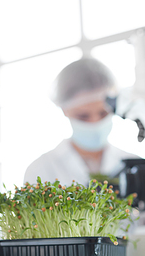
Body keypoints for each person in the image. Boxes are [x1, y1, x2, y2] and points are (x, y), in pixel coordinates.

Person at [24, 58, 137, 186]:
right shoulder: (41, 170)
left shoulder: (136, 166)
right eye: (83, 116)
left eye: (103, 113)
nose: (95, 122)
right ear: (64, 111)